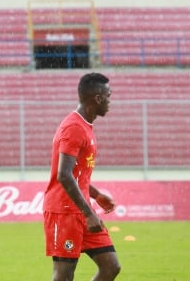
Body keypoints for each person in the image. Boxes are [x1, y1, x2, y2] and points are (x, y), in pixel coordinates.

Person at [43, 72, 121, 281]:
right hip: (65, 211)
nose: (110, 101)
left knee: (111, 266)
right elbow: (64, 175)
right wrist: (89, 213)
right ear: (97, 98)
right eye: (108, 95)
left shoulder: (85, 126)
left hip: (82, 207)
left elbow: (77, 174)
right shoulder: (74, 128)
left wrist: (95, 195)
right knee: (64, 274)